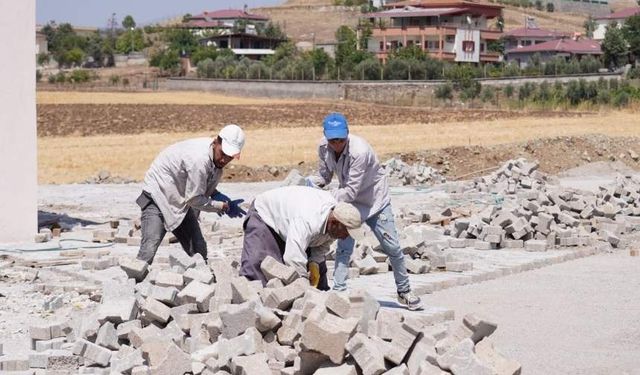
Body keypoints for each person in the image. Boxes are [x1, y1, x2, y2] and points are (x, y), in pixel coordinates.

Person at [306, 112, 423, 310]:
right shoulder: (323, 147)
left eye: (340, 139)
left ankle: (404, 292)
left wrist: (323, 198)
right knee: (344, 248)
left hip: (374, 200)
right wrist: (310, 185)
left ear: (347, 134)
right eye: (332, 139)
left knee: (392, 247)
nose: (336, 143)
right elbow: (324, 174)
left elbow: (351, 191)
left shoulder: (359, 151)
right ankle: (339, 292)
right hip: (348, 202)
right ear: (325, 136)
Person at [136, 124, 246, 264]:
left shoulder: (214, 161)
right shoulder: (199, 160)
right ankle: (131, 282)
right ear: (215, 142)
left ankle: (202, 281)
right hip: (158, 195)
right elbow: (194, 199)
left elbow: (199, 185)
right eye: (222, 154)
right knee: (149, 249)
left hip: (179, 199)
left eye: (229, 157)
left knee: (199, 250)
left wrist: (215, 194)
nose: (224, 160)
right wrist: (219, 206)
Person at [239, 185, 363, 288]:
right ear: (334, 223)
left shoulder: (335, 218)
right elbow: (293, 257)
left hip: (292, 222)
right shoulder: (308, 220)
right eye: (346, 232)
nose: (346, 237)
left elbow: (323, 244)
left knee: (319, 272)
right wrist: (303, 287)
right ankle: (251, 305)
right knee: (257, 264)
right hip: (266, 215)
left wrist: (314, 262)